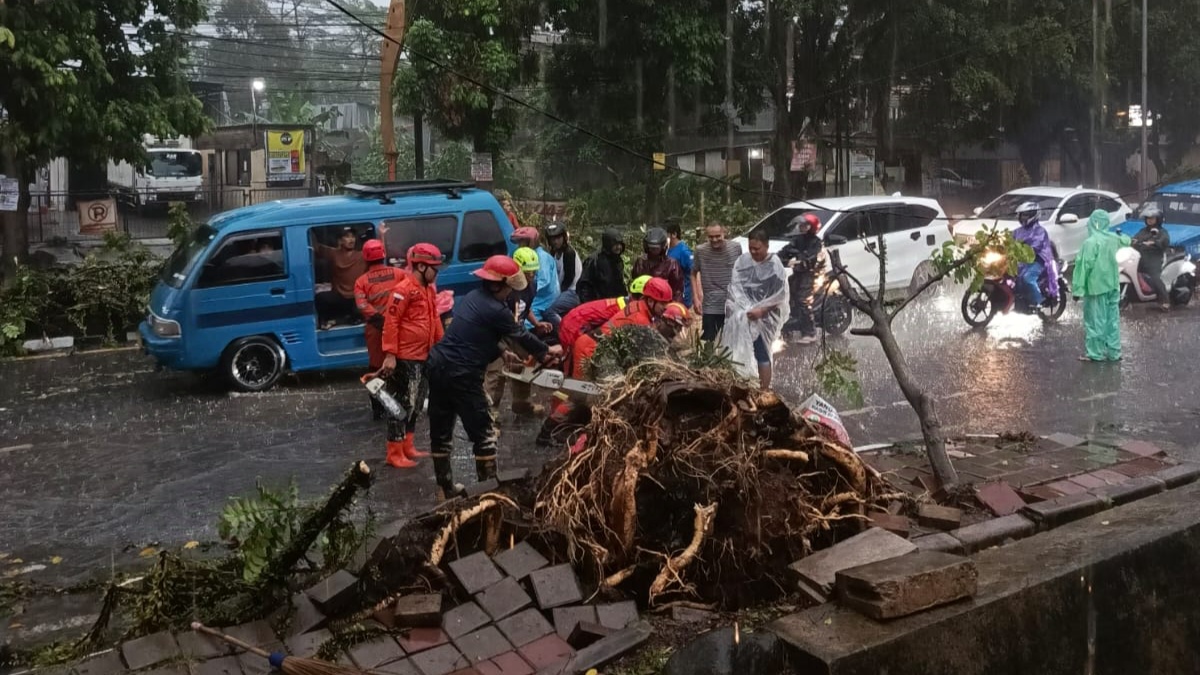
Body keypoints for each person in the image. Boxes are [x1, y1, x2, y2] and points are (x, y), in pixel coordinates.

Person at [425, 255, 562, 496]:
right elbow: (521, 334)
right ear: (499, 284)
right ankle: (488, 492)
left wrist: (501, 351)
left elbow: (476, 332)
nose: (511, 293)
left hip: (438, 366)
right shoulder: (498, 310)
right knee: (485, 434)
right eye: (509, 288)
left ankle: (444, 488)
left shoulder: (472, 299)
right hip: (463, 374)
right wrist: (545, 352)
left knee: (441, 432)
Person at [537, 298, 689, 448]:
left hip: (600, 349)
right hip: (595, 351)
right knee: (583, 394)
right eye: (676, 328)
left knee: (590, 395)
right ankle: (548, 432)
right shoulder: (643, 326)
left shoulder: (643, 315)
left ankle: (574, 428)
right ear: (669, 323)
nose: (677, 332)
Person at [377, 244, 446, 468]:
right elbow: (391, 321)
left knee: (416, 403)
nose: (437, 272)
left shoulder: (428, 290)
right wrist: (390, 354)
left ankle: (408, 444)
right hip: (405, 357)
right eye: (434, 268)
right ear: (422, 266)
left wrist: (441, 346)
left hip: (424, 355)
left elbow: (434, 319)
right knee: (400, 404)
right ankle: (394, 452)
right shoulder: (403, 290)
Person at [484, 247, 552, 418]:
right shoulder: (507, 288)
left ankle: (522, 402)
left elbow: (525, 307)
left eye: (534, 272)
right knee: (496, 373)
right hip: (500, 334)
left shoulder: (532, 285)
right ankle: (490, 414)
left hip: (518, 332)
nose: (532, 276)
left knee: (525, 364)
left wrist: (537, 323)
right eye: (528, 273)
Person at [721, 229, 790, 389]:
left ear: (766, 246)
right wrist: (741, 309)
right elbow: (736, 287)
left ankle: (764, 391)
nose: (753, 251)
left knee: (762, 353)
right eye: (751, 248)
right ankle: (740, 384)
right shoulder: (743, 262)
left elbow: (780, 295)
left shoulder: (775, 265)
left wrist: (761, 310)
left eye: (757, 248)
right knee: (737, 349)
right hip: (744, 314)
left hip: (765, 319)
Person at [567, 277, 673, 378]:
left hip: (596, 346)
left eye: (668, 302)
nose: (665, 307)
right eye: (663, 303)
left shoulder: (638, 305)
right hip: (590, 349)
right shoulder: (640, 319)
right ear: (650, 301)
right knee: (581, 393)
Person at [353, 239, 404, 420]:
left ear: (365, 258)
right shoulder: (400, 274)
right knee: (402, 364)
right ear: (383, 255)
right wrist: (393, 321)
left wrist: (380, 321)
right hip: (399, 327)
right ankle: (402, 406)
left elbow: (362, 305)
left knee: (375, 367)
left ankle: (378, 409)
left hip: (375, 330)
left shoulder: (361, 281)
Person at [1072, 210, 1130, 362]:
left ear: (1093, 223)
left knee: (1095, 321)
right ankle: (1114, 352)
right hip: (1113, 285)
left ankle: (1095, 353)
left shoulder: (1091, 243)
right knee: (1112, 320)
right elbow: (1126, 240)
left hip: (1096, 288)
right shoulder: (1112, 239)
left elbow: (1083, 267)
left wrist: (1078, 290)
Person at [776, 214, 824, 344]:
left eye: (805, 225)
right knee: (786, 296)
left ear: (812, 227)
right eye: (801, 225)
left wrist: (801, 261)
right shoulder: (798, 240)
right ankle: (788, 326)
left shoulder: (816, 242)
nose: (802, 227)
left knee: (803, 300)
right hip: (797, 274)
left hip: (811, 275)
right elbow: (786, 250)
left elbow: (812, 258)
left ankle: (810, 332)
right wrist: (776, 258)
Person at [692, 222, 743, 341]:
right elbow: (693, 273)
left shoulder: (736, 248)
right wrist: (695, 298)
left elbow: (741, 273)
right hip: (710, 304)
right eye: (711, 237)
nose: (714, 240)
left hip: (731, 303)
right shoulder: (700, 251)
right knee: (708, 340)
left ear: (724, 233)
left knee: (731, 340)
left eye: (718, 236)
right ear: (706, 236)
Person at [315, 227, 367, 329]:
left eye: (353, 237)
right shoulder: (333, 254)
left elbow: (380, 253)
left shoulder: (361, 255)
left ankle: (339, 320)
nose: (351, 239)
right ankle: (327, 322)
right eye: (347, 236)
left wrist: (382, 235)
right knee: (320, 298)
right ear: (340, 240)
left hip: (356, 298)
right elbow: (316, 247)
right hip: (340, 297)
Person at [511, 226, 560, 330]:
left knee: (523, 323)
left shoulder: (541, 257)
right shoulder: (527, 255)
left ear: (531, 242)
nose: (520, 245)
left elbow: (543, 280)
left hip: (543, 299)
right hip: (535, 297)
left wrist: (525, 290)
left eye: (522, 242)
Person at [1012, 201, 1058, 308]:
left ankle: (1038, 302)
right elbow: (1009, 242)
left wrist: (1022, 251)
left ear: (1033, 215)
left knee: (1027, 278)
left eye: (1026, 215)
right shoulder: (1017, 231)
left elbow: (1035, 247)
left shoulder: (1040, 231)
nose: (1023, 217)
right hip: (1022, 261)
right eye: (1022, 215)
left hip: (1039, 261)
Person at [1131, 206, 1171, 311]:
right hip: (1141, 259)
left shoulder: (1162, 232)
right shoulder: (1143, 231)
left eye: (1152, 218)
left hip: (1154, 260)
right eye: (1148, 218)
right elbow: (1135, 238)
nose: (1149, 220)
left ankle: (1165, 300)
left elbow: (1164, 241)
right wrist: (1132, 241)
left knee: (1155, 278)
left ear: (1158, 219)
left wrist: (1154, 242)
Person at [544, 221, 584, 319]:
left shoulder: (568, 253)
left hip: (573, 292)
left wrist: (557, 294)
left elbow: (569, 278)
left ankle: (563, 330)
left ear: (564, 238)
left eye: (558, 238)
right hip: (561, 290)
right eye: (552, 239)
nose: (555, 242)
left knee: (549, 311)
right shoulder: (554, 252)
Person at [632, 227, 684, 301]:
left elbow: (677, 291)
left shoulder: (671, 264)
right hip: (644, 303)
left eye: (657, 248)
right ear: (647, 247)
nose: (654, 250)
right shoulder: (641, 262)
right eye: (651, 248)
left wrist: (674, 307)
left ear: (663, 247)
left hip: (664, 304)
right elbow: (634, 286)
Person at [576, 228, 627, 302]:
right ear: (608, 244)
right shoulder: (594, 261)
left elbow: (619, 285)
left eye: (620, 244)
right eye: (615, 245)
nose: (618, 247)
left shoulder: (617, 260)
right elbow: (584, 286)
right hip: (598, 303)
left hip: (614, 303)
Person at [666, 219, 695, 308]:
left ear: (673, 234)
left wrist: (695, 297)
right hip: (668, 296)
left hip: (682, 298)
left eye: (664, 234)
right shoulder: (665, 249)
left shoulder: (684, 252)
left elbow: (693, 273)